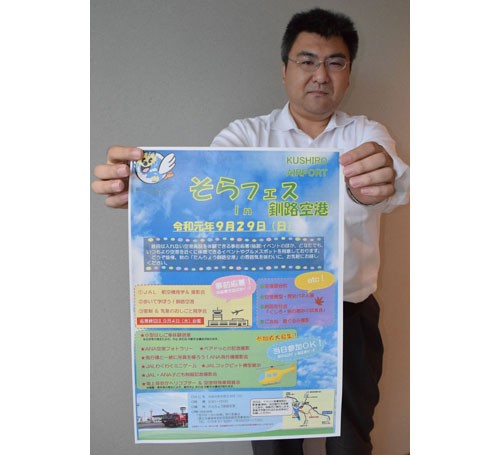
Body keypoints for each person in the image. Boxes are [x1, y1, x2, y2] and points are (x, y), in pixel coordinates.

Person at [92, 7, 409, 455]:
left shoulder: (366, 135)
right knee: (274, 443)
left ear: (349, 73)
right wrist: (149, 192)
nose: (321, 74)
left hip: (349, 316)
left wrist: (378, 184)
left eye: (335, 62)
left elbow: (393, 183)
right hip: (268, 318)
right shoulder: (246, 135)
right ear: (284, 70)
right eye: (307, 60)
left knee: (352, 442)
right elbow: (204, 191)